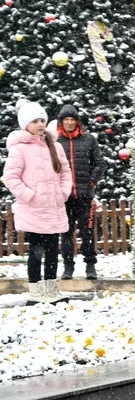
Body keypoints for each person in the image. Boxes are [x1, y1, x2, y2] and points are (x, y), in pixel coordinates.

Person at [4, 101, 73, 300]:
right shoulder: (19, 149)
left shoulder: (55, 146)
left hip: (54, 207)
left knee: (53, 250)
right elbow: (10, 177)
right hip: (33, 209)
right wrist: (29, 195)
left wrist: (63, 192)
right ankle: (35, 292)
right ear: (25, 124)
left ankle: (51, 289)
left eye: (42, 119)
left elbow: (65, 172)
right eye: (35, 121)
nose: (41, 124)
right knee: (36, 251)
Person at [54, 105, 101, 280]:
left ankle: (90, 266)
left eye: (72, 119)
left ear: (77, 122)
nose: (69, 122)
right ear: (61, 122)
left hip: (85, 196)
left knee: (87, 232)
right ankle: (68, 267)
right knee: (66, 233)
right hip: (64, 197)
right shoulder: (56, 142)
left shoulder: (89, 140)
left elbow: (100, 163)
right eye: (66, 119)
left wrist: (91, 182)